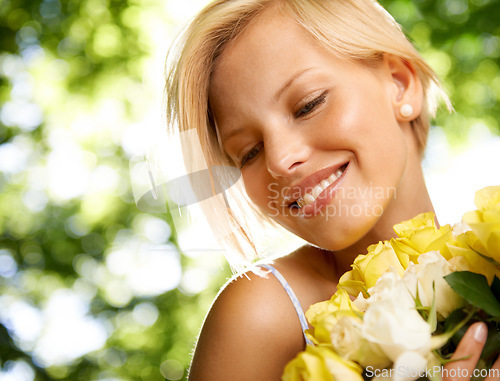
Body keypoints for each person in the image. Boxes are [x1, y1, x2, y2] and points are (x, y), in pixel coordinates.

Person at [164, 0, 500, 379]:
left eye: (308, 105)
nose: (279, 159)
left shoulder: (492, 262)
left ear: (400, 85)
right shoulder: (262, 315)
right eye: (249, 152)